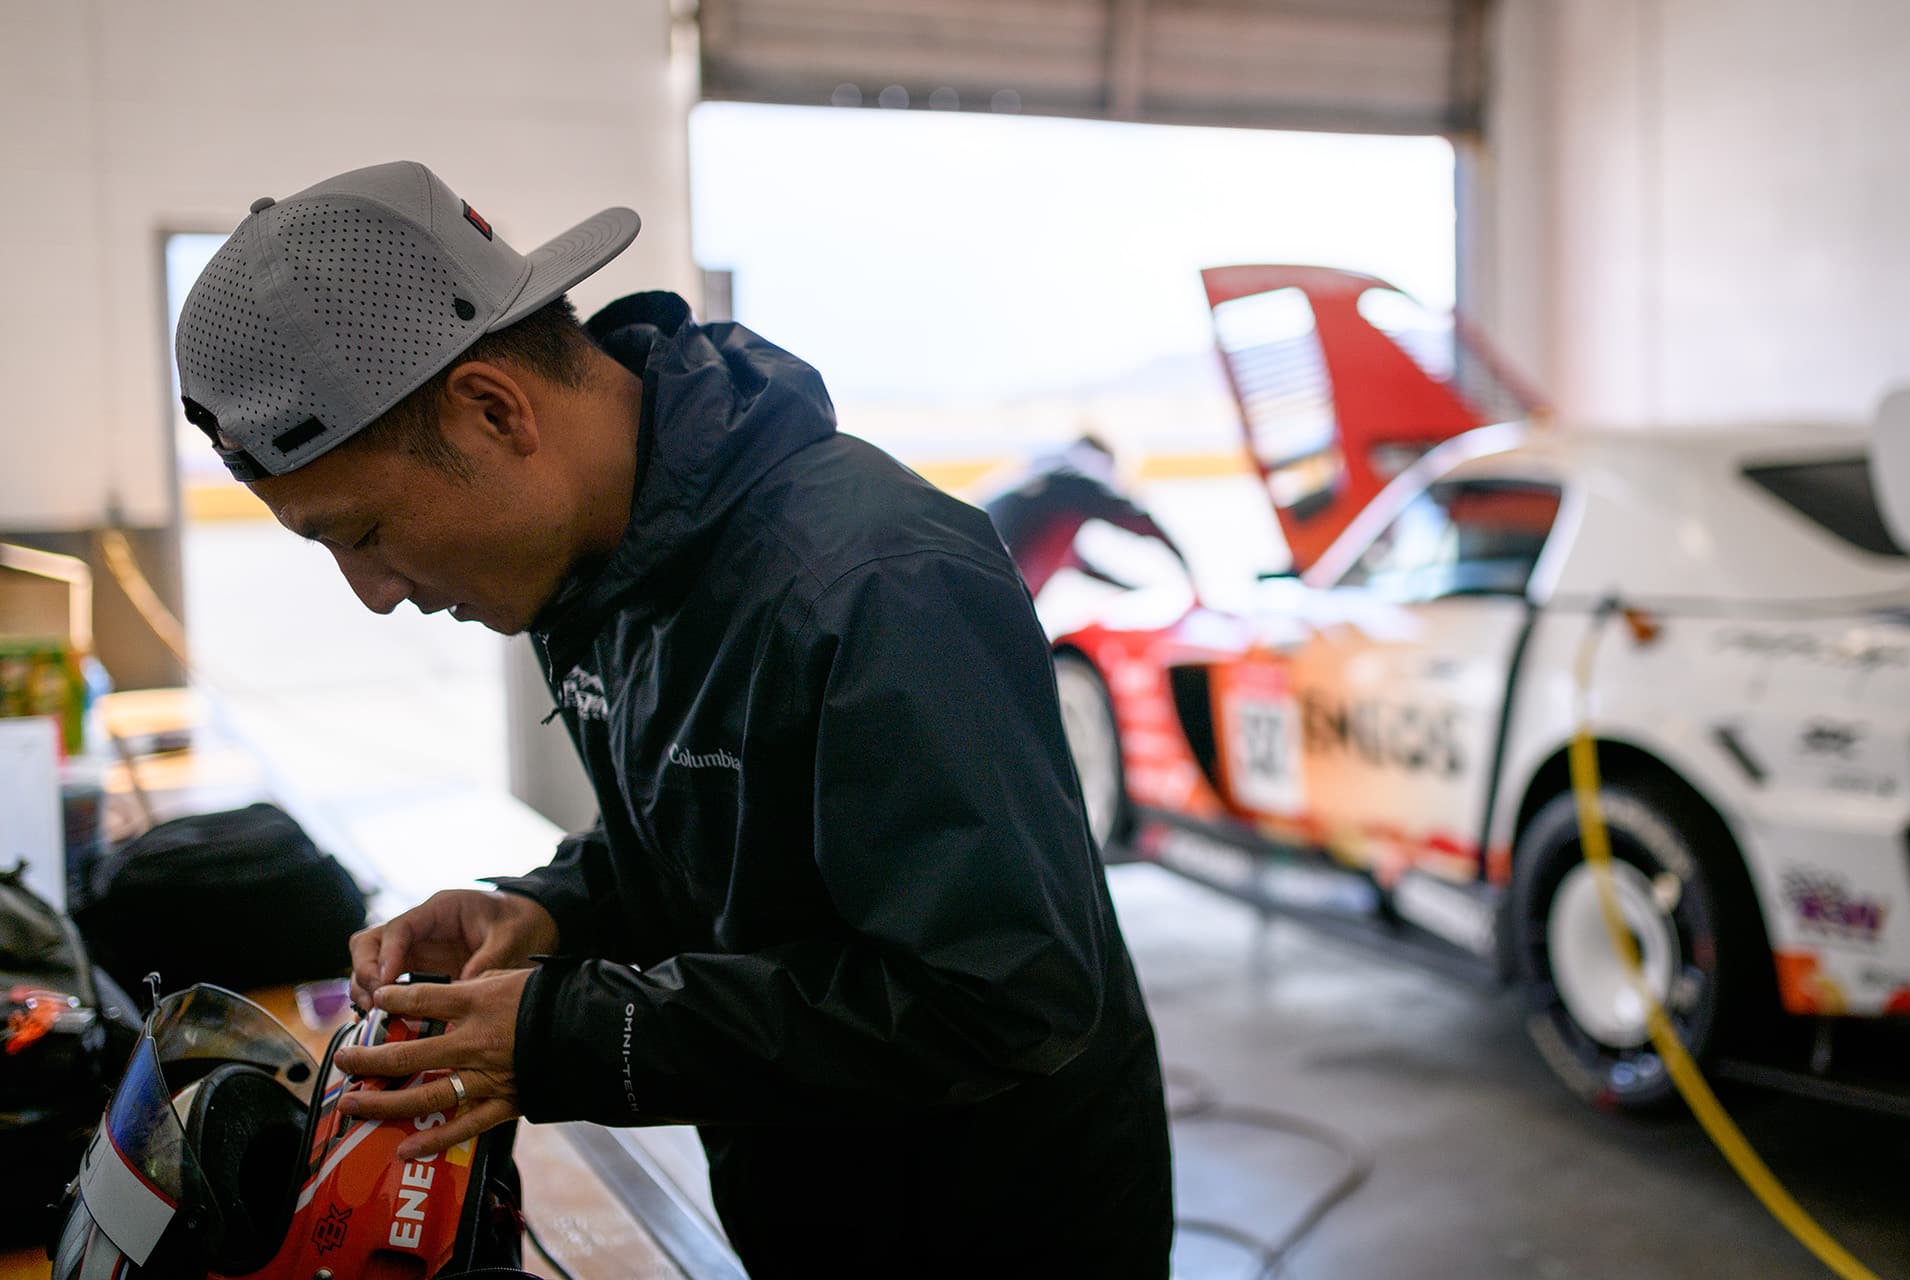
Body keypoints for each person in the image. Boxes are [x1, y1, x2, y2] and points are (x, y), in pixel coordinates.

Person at [174, 161, 1173, 1276]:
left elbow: (1005, 994)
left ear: (495, 410)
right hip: (811, 1200)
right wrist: (554, 912)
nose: (377, 591)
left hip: (992, 1227)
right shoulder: (617, 566)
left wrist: (566, 1034)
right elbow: (725, 833)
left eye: (361, 534)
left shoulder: (876, 581)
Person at [980, 433, 1189, 596]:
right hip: (993, 594)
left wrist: (1134, 588)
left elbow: (1075, 561)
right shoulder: (1077, 475)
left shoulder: (1044, 480)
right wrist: (1188, 574)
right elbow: (1143, 522)